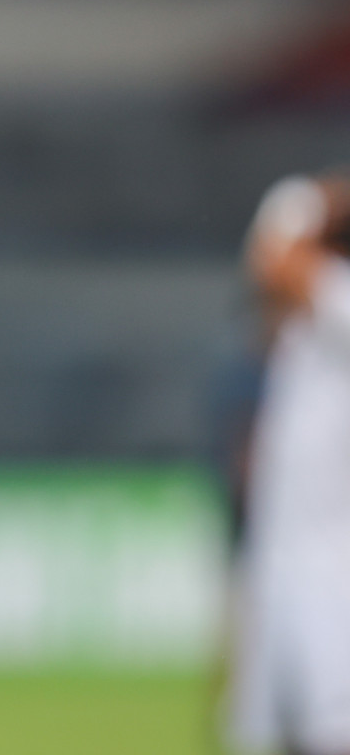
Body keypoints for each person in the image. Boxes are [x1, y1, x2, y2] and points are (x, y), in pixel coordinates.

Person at [231, 171, 350, 755]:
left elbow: (274, 260)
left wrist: (318, 199)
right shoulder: (305, 327)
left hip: (335, 571)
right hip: (282, 562)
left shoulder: (341, 304)